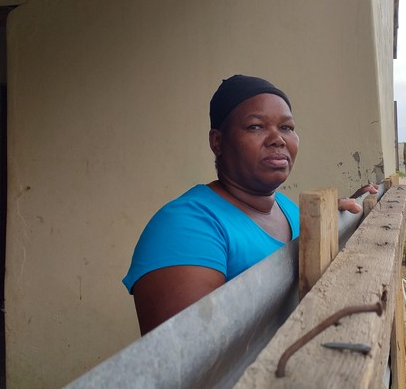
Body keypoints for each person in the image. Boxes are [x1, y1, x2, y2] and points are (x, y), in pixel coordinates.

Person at [123, 75, 376, 334]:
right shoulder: (184, 228)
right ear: (217, 142)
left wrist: (336, 220)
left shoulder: (288, 209)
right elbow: (189, 361)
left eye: (287, 127)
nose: (277, 139)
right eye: (256, 126)